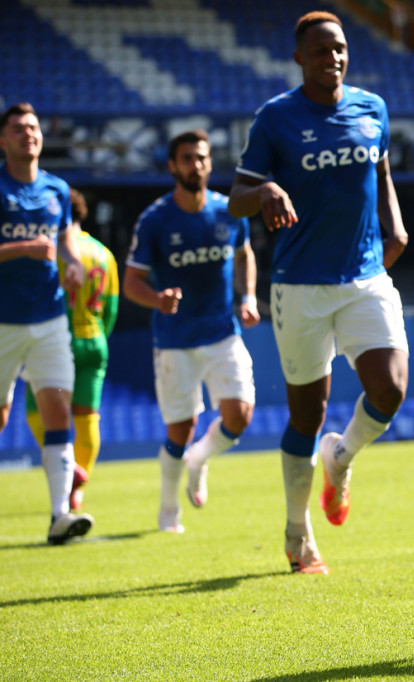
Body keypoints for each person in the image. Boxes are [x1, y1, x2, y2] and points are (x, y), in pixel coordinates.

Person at [228, 11, 410, 575]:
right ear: (299, 58)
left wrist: (395, 227)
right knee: (306, 416)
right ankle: (297, 535)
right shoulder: (275, 119)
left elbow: (381, 177)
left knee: (392, 386)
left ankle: (342, 455)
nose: (332, 57)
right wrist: (266, 192)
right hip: (300, 288)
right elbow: (234, 195)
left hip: (364, 276)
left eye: (340, 48)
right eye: (321, 49)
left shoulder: (372, 108)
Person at [124, 129, 259, 534]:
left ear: (209, 162)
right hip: (175, 341)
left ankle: (200, 459)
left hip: (222, 331)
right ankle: (168, 511)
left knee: (241, 415)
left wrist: (249, 295)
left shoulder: (228, 211)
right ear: (172, 165)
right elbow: (131, 282)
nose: (195, 165)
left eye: (201, 158)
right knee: (179, 429)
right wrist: (157, 299)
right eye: (187, 158)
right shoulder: (155, 219)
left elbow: (244, 254)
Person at [0, 102, 91, 544]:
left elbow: (65, 241)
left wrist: (72, 265)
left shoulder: (57, 189)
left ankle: (60, 515)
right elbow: (37, 247)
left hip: (51, 319)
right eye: (18, 129)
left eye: (33, 128)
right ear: (3, 140)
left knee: (58, 410)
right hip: (2, 322)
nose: (28, 134)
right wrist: (22, 250)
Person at [24, 188, 119, 511]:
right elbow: (112, 308)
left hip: (52, 340)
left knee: (38, 411)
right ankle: (79, 483)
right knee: (88, 416)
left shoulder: (53, 251)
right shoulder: (104, 254)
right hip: (93, 340)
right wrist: (98, 337)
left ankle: (70, 471)